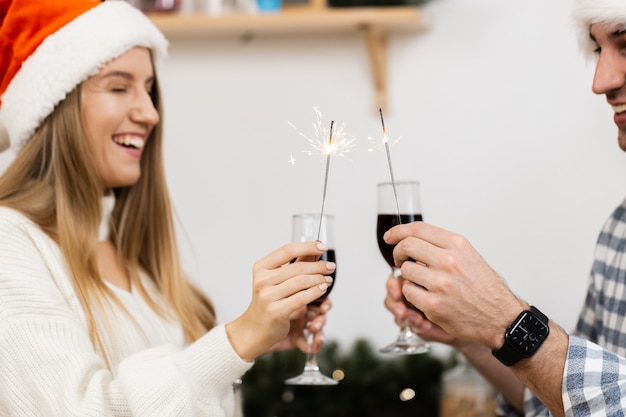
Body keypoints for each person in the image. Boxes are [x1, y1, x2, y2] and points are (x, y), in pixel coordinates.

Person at [0, 1, 335, 416]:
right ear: (56, 106)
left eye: (149, 89)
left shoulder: (135, 256)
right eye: (120, 87)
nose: (150, 113)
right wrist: (237, 337)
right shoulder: (9, 245)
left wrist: (248, 349)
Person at [384, 1, 626, 416]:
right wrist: (472, 335)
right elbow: (571, 402)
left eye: (624, 46)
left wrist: (508, 323)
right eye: (598, 49)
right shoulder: (618, 231)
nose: (601, 81)